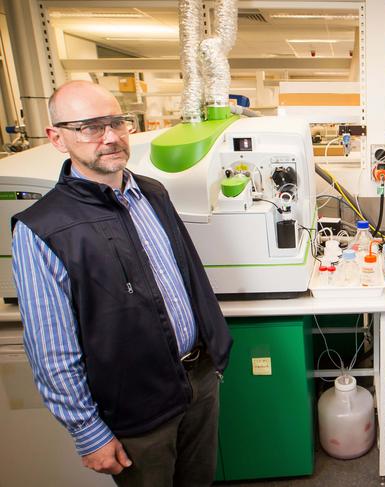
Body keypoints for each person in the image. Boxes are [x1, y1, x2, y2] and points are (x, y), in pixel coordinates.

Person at [12, 80, 232, 487]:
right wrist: (88, 432)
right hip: (137, 405)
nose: (111, 137)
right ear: (57, 138)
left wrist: (215, 356)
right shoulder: (43, 228)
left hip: (198, 380)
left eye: (117, 122)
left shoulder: (152, 193)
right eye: (91, 127)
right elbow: (51, 348)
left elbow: (188, 278)